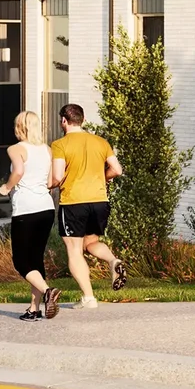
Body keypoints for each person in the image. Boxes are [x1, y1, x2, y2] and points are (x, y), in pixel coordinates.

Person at [49, 101, 125, 308]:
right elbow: (117, 170)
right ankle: (113, 261)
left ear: (64, 121)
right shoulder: (101, 142)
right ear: (82, 120)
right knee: (90, 243)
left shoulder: (60, 145)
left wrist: (48, 186)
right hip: (100, 202)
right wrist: (103, 177)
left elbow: (57, 176)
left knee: (74, 251)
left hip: (74, 202)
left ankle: (89, 297)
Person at [0, 110, 60, 321]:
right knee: (35, 260)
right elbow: (52, 181)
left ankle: (48, 291)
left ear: (20, 127)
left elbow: (18, 172)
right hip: (46, 208)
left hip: (26, 209)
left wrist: (7, 188)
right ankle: (34, 309)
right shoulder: (47, 149)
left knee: (21, 262)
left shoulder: (16, 149)